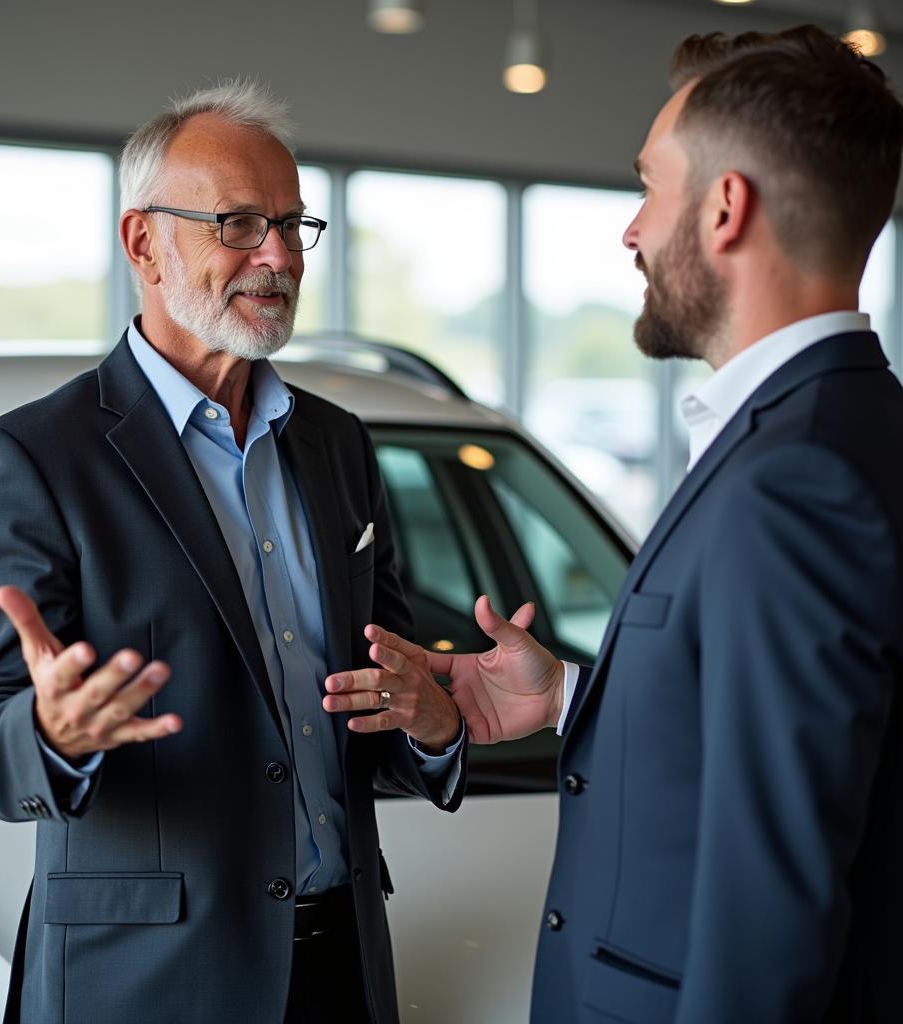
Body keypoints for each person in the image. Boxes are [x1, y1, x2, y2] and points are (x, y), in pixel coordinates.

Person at [324, 26, 903, 1023]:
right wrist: (569, 695)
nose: (629, 230)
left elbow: (772, 897)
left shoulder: (793, 476)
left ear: (725, 208)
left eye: (648, 186)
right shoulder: (853, 430)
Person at [0, 81, 464, 1024]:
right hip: (147, 986)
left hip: (343, 970)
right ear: (143, 242)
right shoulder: (31, 456)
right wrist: (53, 734)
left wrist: (434, 723)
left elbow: (381, 691)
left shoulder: (338, 443)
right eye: (236, 223)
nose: (276, 256)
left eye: (292, 224)